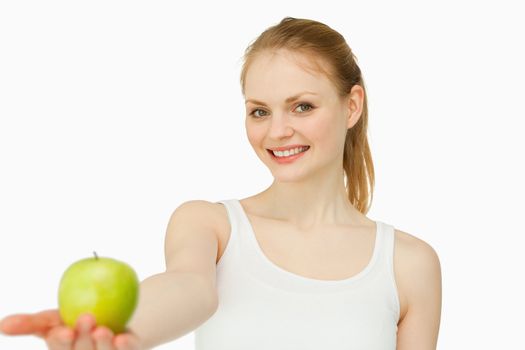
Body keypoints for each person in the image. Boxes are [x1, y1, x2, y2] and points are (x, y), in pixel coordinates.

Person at [0, 16, 442, 350]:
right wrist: (119, 330)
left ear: (352, 106)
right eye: (260, 110)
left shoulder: (409, 264)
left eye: (302, 107)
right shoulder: (211, 225)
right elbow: (190, 290)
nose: (277, 131)